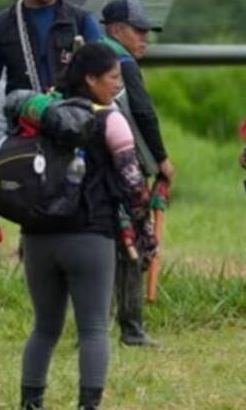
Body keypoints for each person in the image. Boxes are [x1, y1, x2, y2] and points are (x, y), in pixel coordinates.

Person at [19, 43, 156, 410]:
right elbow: (133, 183)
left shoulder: (43, 114)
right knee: (94, 328)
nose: (117, 86)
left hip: (37, 237)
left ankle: (31, 403)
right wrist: (145, 232)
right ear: (91, 79)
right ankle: (88, 405)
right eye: (112, 78)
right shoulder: (109, 119)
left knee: (44, 328)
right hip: (90, 234)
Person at [100, 0, 175, 347]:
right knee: (132, 244)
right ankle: (131, 327)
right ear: (116, 30)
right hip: (124, 165)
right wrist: (161, 159)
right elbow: (144, 112)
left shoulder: (89, 58)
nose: (145, 38)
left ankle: (96, 323)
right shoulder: (124, 62)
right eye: (139, 30)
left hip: (91, 167)